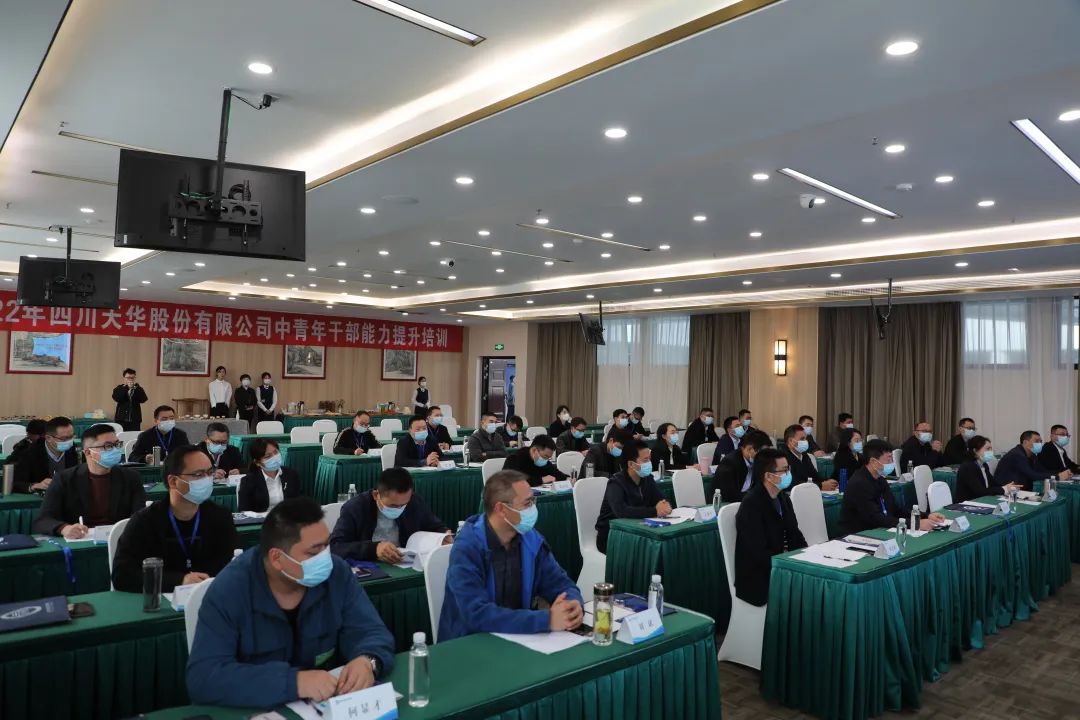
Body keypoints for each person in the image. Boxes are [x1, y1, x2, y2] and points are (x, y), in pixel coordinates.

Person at [186, 498, 395, 707]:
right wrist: (292, 682)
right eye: (314, 552)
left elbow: (372, 631)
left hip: (326, 706)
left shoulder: (337, 573)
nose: (325, 558)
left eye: (327, 545)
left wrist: (368, 660)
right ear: (277, 558)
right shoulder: (230, 589)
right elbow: (204, 677)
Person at [439, 470, 583, 642]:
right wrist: (547, 620)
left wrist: (572, 605)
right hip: (469, 642)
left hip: (519, 638)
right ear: (501, 509)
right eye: (527, 503)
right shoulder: (468, 547)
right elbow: (476, 614)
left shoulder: (531, 540)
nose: (533, 509)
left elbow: (561, 583)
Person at [112, 445, 238, 592]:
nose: (207, 479)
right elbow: (122, 575)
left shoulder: (220, 517)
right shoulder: (145, 521)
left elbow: (228, 566)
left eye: (210, 473)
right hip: (162, 599)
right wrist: (180, 580)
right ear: (173, 481)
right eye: (198, 474)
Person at [32, 423, 147, 537]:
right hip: (80, 538)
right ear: (88, 452)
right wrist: (64, 528)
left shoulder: (131, 477)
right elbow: (43, 520)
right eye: (108, 446)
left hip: (118, 538)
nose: (115, 450)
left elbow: (139, 516)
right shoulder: (64, 479)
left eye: (117, 444)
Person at [734, 448, 808, 606]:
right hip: (759, 577)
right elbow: (758, 552)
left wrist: (806, 557)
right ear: (768, 476)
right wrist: (786, 567)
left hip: (780, 566)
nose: (788, 474)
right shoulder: (751, 504)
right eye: (784, 470)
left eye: (789, 469)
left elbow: (794, 533)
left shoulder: (783, 498)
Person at [329, 468, 449, 563]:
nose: (399, 509)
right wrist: (374, 549)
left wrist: (444, 535)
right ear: (376, 495)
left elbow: (435, 526)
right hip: (371, 565)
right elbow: (335, 547)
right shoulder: (355, 508)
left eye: (403, 505)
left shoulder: (414, 502)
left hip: (405, 563)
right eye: (393, 505)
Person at [840, 439, 945, 534]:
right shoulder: (859, 483)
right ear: (873, 461)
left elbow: (896, 509)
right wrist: (915, 524)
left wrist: (925, 516)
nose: (891, 463)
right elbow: (875, 518)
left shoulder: (880, 479)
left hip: (879, 529)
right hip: (860, 533)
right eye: (888, 459)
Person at [595, 441, 671, 552]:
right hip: (611, 536)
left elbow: (661, 499)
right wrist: (655, 511)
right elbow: (621, 511)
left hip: (638, 532)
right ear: (631, 464)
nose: (649, 463)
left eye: (649, 459)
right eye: (645, 460)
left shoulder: (647, 479)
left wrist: (664, 506)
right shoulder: (616, 483)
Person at [13, 416, 79, 494]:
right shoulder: (29, 453)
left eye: (71, 437)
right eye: (64, 438)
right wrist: (35, 486)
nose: (69, 441)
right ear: (48, 438)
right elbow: (15, 483)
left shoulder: (73, 450)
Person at [238, 438, 301, 512]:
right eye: (268, 456)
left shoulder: (291, 475)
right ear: (257, 462)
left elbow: (297, 504)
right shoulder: (248, 481)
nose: (274, 457)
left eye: (276, 452)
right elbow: (244, 511)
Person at [996, 431, 1071, 491]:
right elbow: (1033, 475)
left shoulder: (1032, 455)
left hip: (1021, 490)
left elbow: (1043, 471)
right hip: (1007, 491)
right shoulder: (1016, 455)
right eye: (1037, 441)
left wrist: (1061, 473)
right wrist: (1058, 477)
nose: (1040, 444)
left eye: (1040, 441)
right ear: (1025, 442)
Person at [955, 435, 1021, 503]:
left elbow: (993, 484)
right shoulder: (968, 467)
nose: (991, 451)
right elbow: (980, 491)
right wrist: (1004, 489)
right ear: (975, 451)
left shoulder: (984, 465)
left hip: (981, 501)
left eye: (991, 449)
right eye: (987, 449)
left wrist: (1008, 487)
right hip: (967, 503)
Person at [711, 430, 771, 502]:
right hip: (725, 504)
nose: (764, 457)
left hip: (746, 501)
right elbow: (729, 495)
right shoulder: (730, 463)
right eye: (762, 453)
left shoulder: (755, 462)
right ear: (749, 449)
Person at [782, 424, 838, 490]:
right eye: (802, 439)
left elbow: (815, 476)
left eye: (806, 438)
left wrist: (827, 482)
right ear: (791, 441)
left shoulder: (804, 455)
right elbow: (792, 483)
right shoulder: (782, 458)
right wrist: (820, 486)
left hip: (808, 491)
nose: (805, 441)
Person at [112, 368, 148, 432]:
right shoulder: (119, 388)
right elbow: (117, 398)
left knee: (134, 436)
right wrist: (127, 388)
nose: (130, 379)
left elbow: (143, 399)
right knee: (120, 436)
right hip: (121, 420)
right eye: (128, 378)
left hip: (135, 421)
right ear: (124, 378)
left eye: (132, 378)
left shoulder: (138, 389)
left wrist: (136, 389)